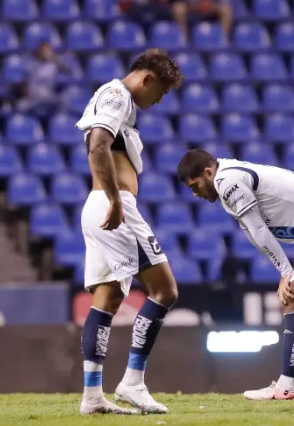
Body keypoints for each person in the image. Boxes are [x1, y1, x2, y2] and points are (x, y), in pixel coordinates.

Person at [177, 149, 294, 400]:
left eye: (195, 186)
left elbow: (260, 229)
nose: (195, 194)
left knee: (293, 297)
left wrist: (286, 271)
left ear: (208, 172)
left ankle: (289, 386)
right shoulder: (228, 178)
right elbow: (254, 233)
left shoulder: (226, 180)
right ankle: (289, 384)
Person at [75, 48, 183, 415]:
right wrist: (116, 202)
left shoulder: (122, 104)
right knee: (164, 290)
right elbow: (98, 145)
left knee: (107, 299)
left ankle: (92, 396)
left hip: (100, 205)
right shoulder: (117, 95)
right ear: (147, 79)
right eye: (161, 93)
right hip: (113, 206)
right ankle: (133, 382)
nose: (159, 101)